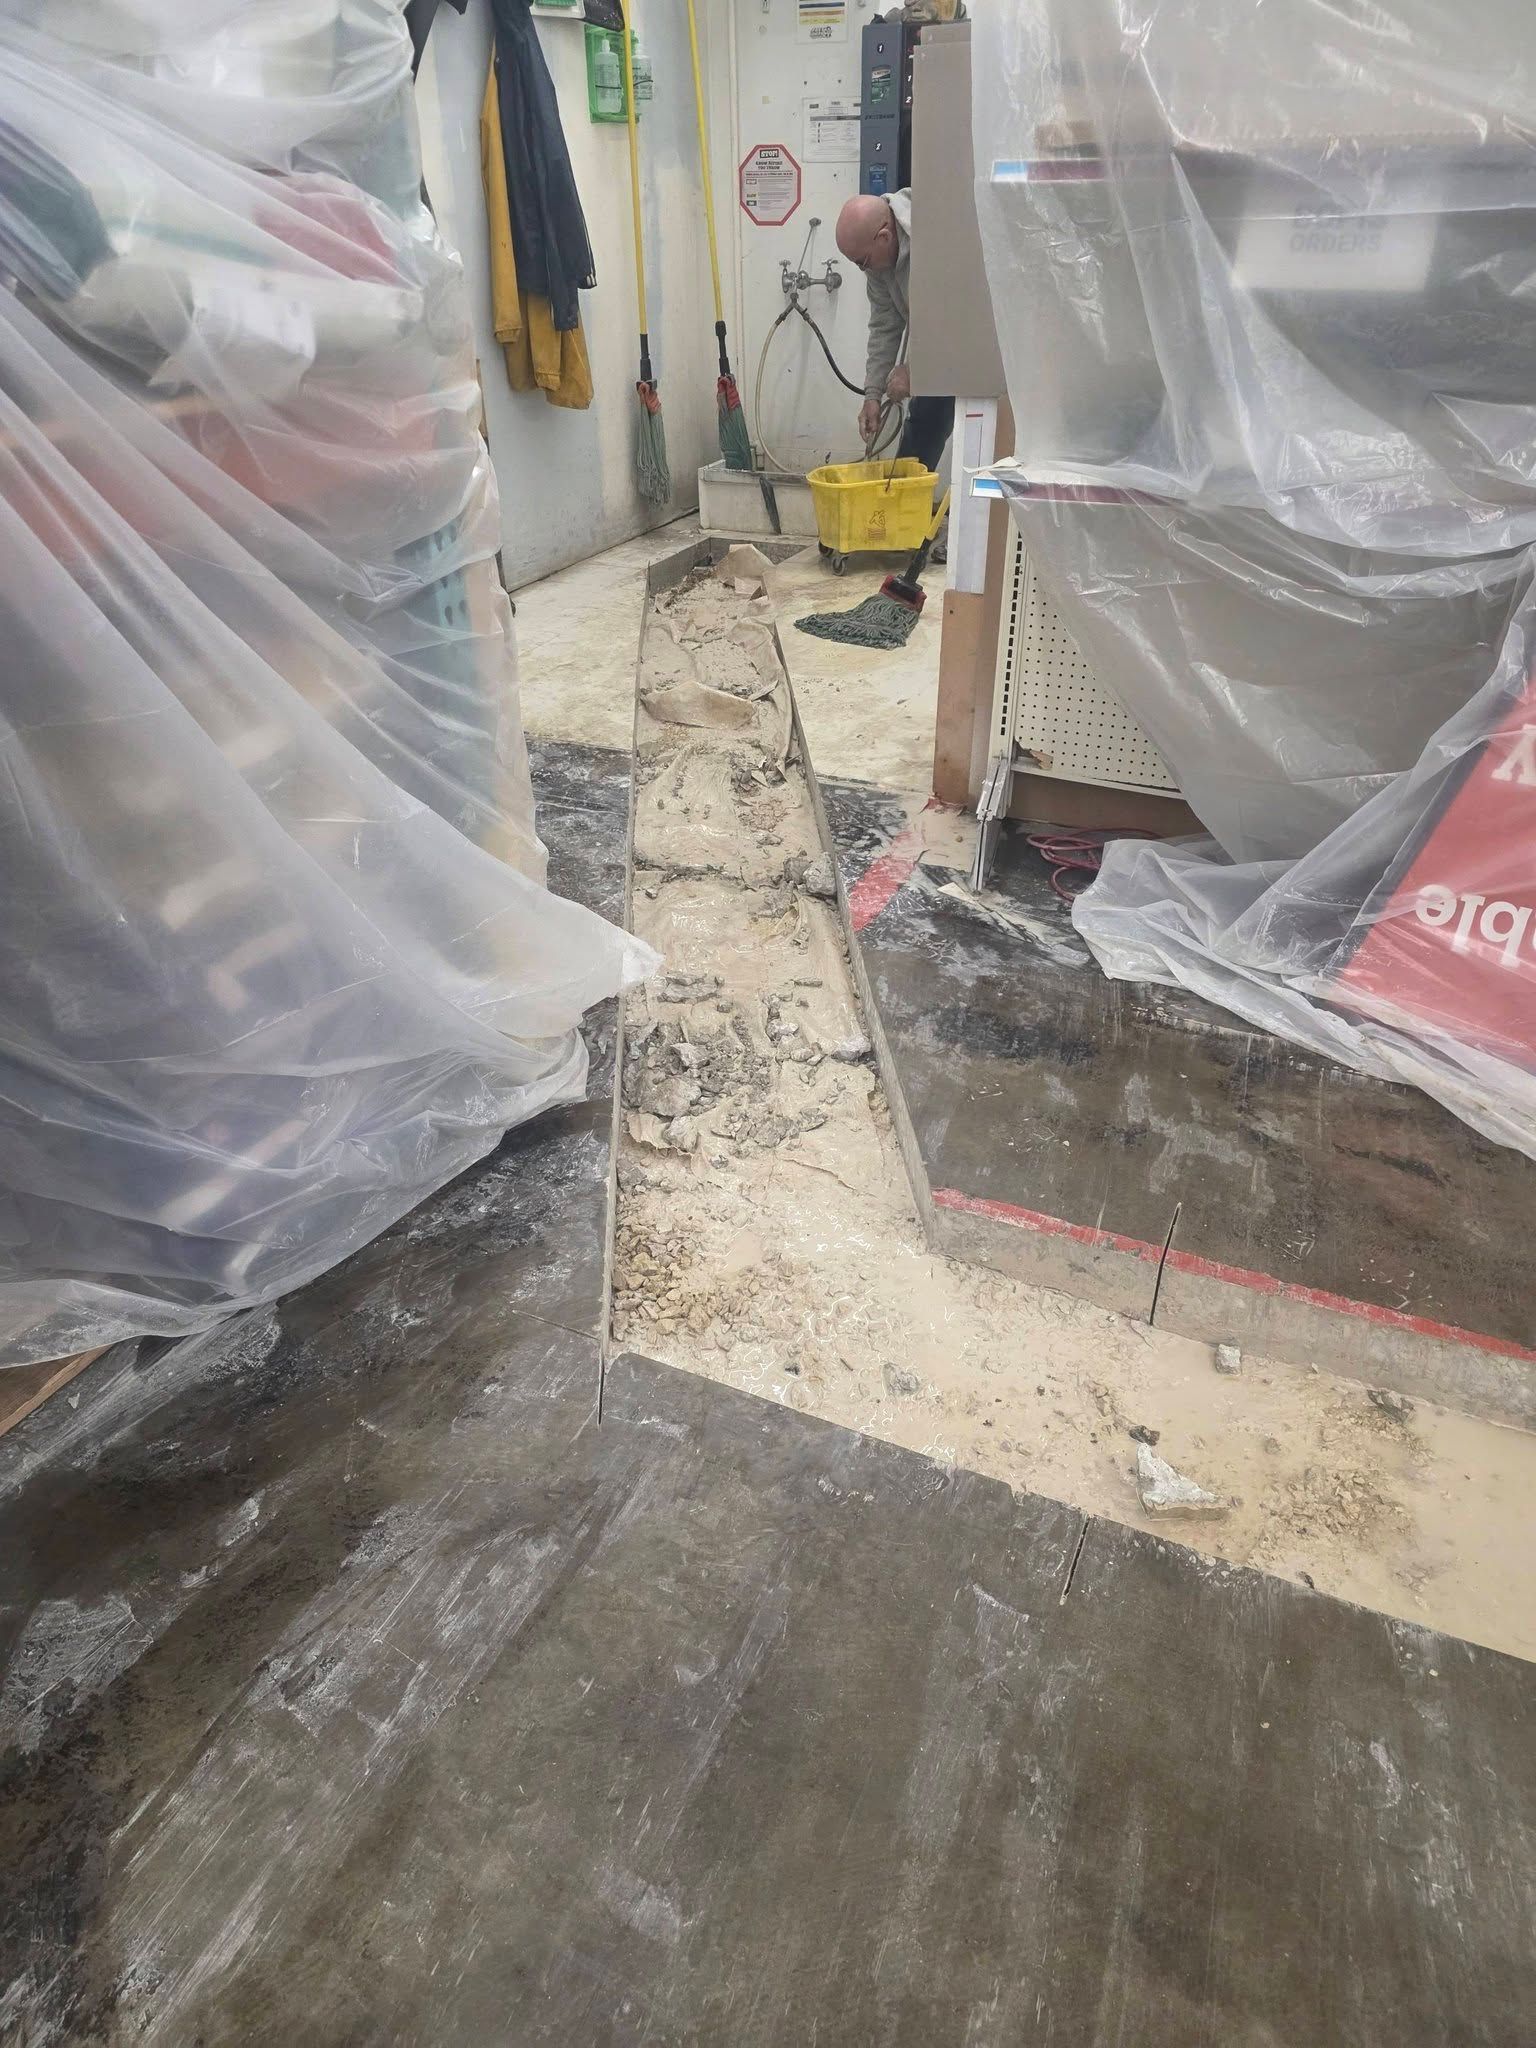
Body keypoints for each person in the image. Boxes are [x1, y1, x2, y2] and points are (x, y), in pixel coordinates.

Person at [834, 189, 954, 481]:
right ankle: (904, 508)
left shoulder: (934, 237)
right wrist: (872, 395)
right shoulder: (879, 262)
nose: (864, 269)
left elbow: (951, 316)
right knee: (926, 417)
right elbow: (885, 325)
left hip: (981, 346)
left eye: (862, 262)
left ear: (885, 237)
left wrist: (915, 371)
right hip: (941, 350)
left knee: (982, 433)